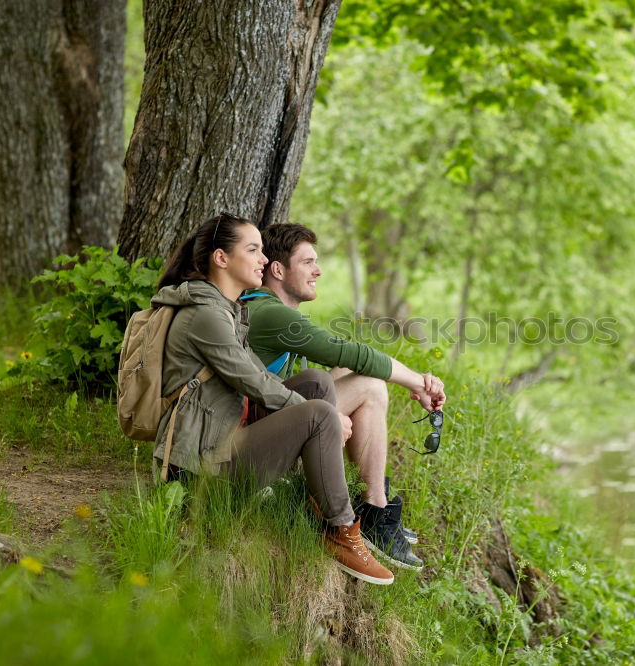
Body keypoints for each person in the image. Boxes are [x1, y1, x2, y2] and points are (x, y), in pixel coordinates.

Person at [151, 212, 393, 585]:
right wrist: (327, 418)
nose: (263, 260)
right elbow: (255, 382)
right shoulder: (206, 316)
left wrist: (317, 407)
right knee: (318, 413)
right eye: (253, 250)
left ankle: (319, 499)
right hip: (200, 470)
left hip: (221, 441)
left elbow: (262, 377)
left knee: (315, 384)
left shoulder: (228, 310)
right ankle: (343, 530)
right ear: (222, 258)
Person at [243, 223, 447, 571]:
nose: (318, 270)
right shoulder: (270, 314)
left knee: (342, 376)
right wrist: (416, 382)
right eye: (308, 262)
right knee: (370, 385)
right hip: (252, 444)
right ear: (278, 270)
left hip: (263, 423)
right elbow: (352, 352)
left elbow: (342, 362)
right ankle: (374, 510)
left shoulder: (264, 308)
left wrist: (415, 380)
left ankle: (370, 503)